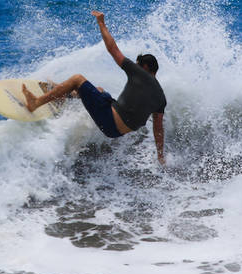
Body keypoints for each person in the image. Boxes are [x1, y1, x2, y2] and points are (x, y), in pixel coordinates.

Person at [22, 11, 167, 164]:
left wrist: (101, 23)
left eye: (138, 66)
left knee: (77, 79)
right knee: (99, 91)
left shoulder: (139, 73)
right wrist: (160, 156)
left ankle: (36, 103)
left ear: (144, 67)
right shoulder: (161, 97)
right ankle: (61, 96)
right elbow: (158, 129)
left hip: (110, 120)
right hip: (116, 131)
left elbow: (113, 49)